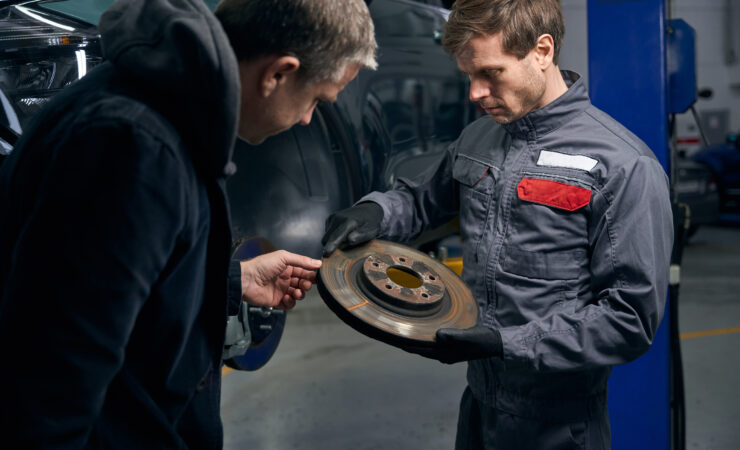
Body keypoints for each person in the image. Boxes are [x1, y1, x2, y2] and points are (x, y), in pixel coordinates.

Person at [0, 0, 376, 447]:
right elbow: (55, 384)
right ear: (278, 73)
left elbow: (119, 291)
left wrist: (229, 281)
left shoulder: (165, 107)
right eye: (317, 99)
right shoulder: (132, 148)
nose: (308, 118)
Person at [322, 0, 673, 448]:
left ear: (542, 51)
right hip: (479, 408)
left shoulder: (623, 167)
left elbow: (629, 321)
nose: (475, 92)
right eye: (469, 76)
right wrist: (375, 211)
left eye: (491, 73)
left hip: (559, 428)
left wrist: (506, 343)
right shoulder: (479, 137)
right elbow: (422, 200)